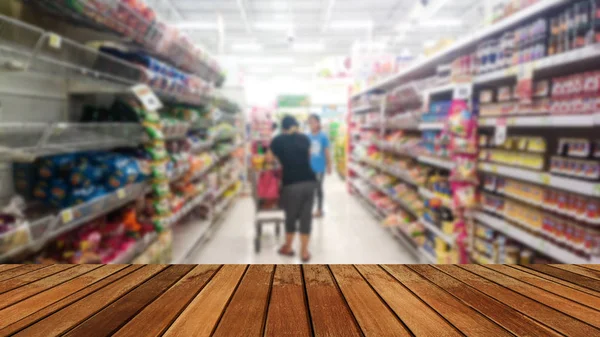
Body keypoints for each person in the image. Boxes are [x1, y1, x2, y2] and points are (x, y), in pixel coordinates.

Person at [269, 115, 316, 262]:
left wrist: (280, 159)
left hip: (291, 183)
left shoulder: (277, 140)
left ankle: (288, 248)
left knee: (291, 217)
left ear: (282, 127)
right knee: (305, 217)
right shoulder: (305, 138)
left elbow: (269, 159)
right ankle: (304, 252)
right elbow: (308, 157)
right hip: (309, 181)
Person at [307, 114, 331, 218]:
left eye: (313, 121)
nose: (311, 124)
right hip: (309, 167)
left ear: (318, 123)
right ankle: (309, 209)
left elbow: (326, 152)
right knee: (310, 189)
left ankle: (319, 210)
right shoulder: (308, 136)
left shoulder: (323, 136)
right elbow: (307, 152)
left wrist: (329, 164)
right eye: (310, 122)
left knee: (318, 188)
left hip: (320, 167)